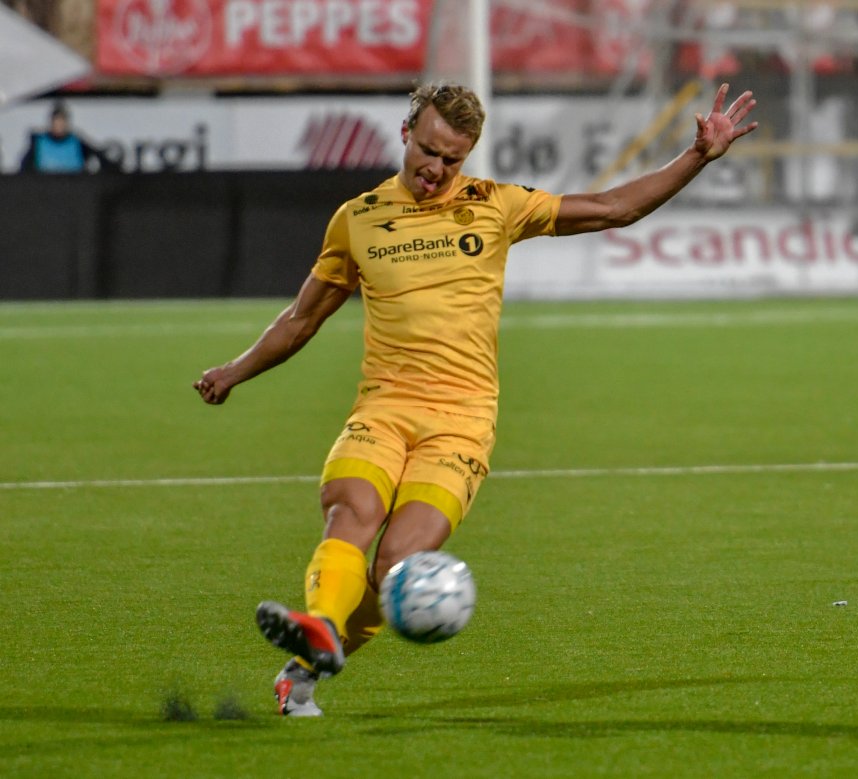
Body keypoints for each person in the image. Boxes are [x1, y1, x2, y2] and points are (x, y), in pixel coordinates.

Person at [193, 81, 758, 717]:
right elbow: (301, 319)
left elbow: (610, 208)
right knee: (349, 510)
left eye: (452, 159)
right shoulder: (357, 220)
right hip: (382, 409)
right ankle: (321, 626)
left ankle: (306, 670)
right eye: (428, 152)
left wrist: (696, 156)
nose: (436, 170)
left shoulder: (497, 206)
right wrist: (235, 370)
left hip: (461, 425)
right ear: (407, 133)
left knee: (396, 567)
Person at [19, 101, 118, 174]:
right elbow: (25, 167)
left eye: (62, 121)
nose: (59, 125)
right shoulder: (39, 143)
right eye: (57, 121)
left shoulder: (76, 142)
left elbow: (97, 156)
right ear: (51, 122)